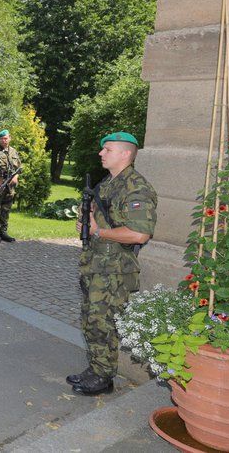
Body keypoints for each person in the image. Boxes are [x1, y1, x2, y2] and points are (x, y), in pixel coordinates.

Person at [69, 131, 157, 396]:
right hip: (96, 264)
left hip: (116, 270)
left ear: (125, 154)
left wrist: (98, 231)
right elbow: (101, 217)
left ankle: (104, 377)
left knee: (104, 323)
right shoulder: (108, 183)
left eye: (107, 149)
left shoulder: (136, 188)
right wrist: (88, 221)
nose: (101, 153)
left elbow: (139, 233)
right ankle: (97, 368)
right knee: (91, 320)